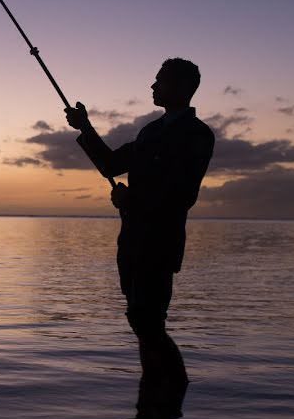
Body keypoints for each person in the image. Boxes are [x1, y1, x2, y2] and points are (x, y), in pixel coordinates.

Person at [65, 58, 214, 388]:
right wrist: (85, 128)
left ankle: (173, 391)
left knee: (148, 322)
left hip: (159, 243)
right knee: (140, 321)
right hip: (131, 241)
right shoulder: (151, 132)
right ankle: (153, 394)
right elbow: (111, 165)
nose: (152, 86)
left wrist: (131, 200)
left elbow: (182, 194)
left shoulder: (198, 135)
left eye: (159, 81)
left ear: (179, 87)